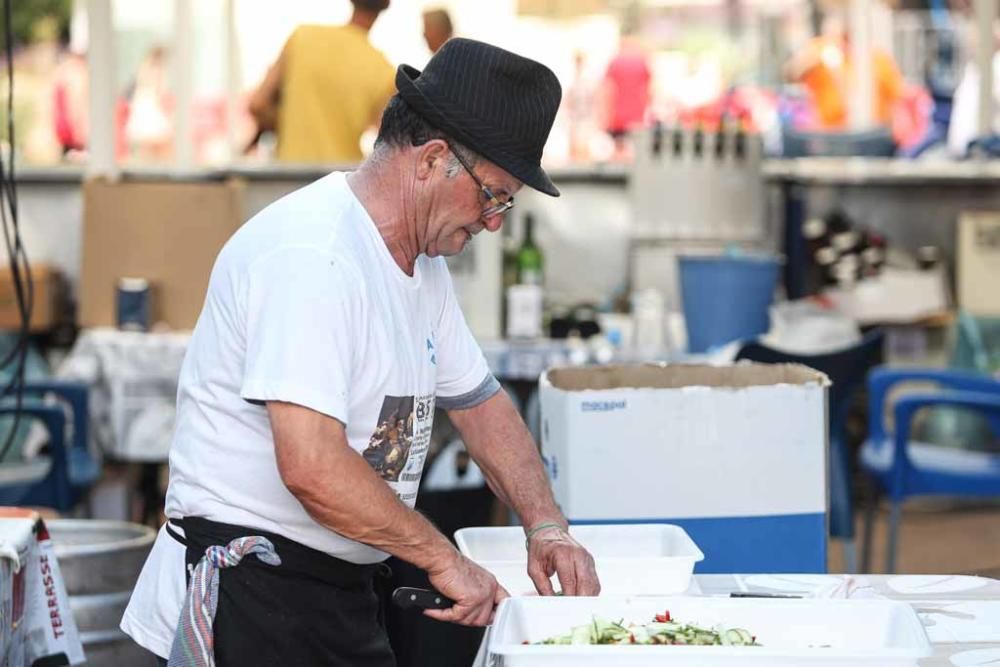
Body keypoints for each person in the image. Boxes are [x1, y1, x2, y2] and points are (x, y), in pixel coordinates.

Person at [121, 38, 600, 667]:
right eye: (493, 195)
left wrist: (545, 525)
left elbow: (481, 404)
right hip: (253, 591)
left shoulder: (421, 267)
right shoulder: (312, 256)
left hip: (337, 587)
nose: (494, 222)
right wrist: (441, 559)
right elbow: (312, 466)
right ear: (432, 160)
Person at [248, 0, 395, 163]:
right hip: (341, 177)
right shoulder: (384, 69)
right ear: (386, 6)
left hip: (291, 173)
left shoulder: (303, 36)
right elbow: (388, 139)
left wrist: (291, 122)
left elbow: (257, 105)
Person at [785, 8, 903, 130]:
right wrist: (818, 58)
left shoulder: (877, 58)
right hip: (831, 131)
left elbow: (897, 95)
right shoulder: (820, 49)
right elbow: (791, 74)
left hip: (873, 131)